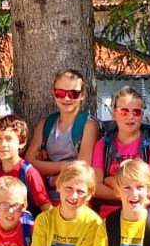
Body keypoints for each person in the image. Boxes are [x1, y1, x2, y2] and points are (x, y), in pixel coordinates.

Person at [25, 68, 100, 204]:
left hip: (76, 201)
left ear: (83, 95)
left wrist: (49, 173)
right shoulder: (45, 124)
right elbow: (29, 162)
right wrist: (64, 166)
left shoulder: (88, 126)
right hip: (44, 200)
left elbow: (81, 168)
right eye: (60, 93)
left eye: (73, 94)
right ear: (54, 94)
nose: (66, 98)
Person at [92, 87, 150, 217]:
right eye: (124, 112)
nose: (130, 116)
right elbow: (96, 188)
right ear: (114, 114)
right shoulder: (103, 145)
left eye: (136, 112)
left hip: (143, 215)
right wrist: (134, 192)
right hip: (108, 215)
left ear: (142, 115)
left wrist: (111, 181)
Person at [0, 114, 51, 217]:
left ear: (21, 142)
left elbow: (46, 209)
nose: (3, 144)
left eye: (8, 139)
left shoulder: (29, 173)